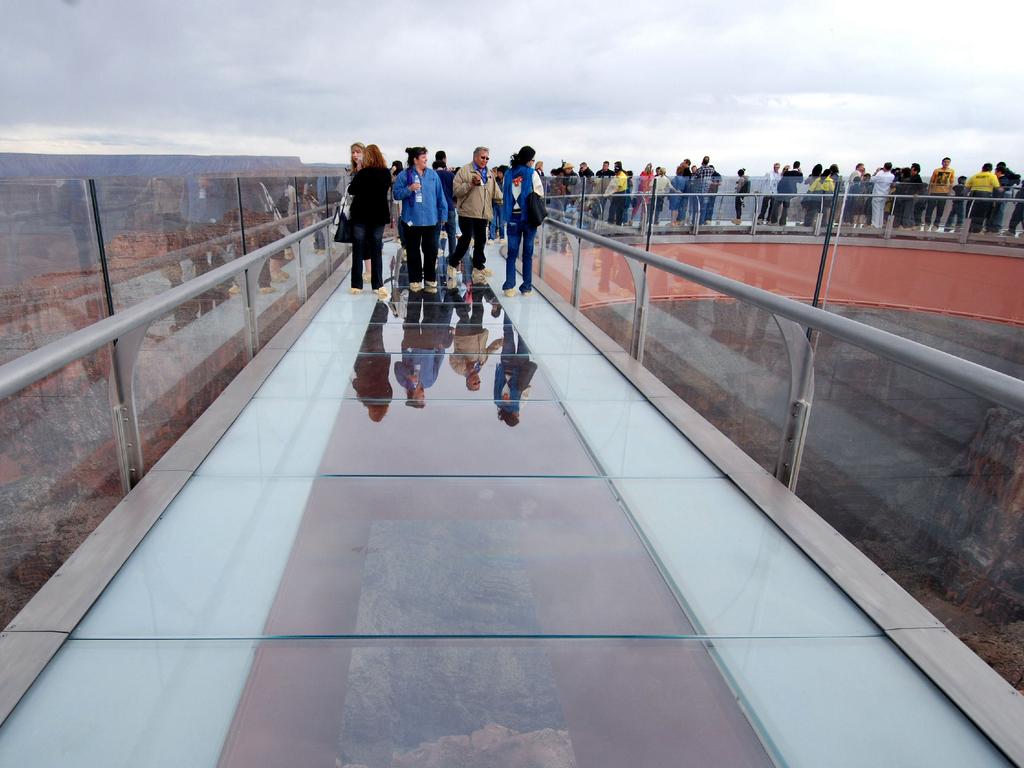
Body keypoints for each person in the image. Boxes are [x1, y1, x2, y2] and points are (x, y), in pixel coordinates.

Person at [392, 146, 447, 292]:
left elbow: (440, 196)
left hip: (431, 220)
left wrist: (443, 215)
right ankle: (415, 280)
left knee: (431, 250)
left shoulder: (433, 175)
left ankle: (430, 278)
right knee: (413, 251)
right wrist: (409, 189)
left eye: (426, 157)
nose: (426, 160)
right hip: (411, 220)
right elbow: (396, 194)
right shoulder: (404, 175)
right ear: (415, 160)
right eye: (423, 158)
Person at [449, 146, 503, 286]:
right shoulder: (464, 171)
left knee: (481, 240)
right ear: (475, 157)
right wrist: (470, 184)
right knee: (466, 239)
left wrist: (510, 202)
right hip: (467, 212)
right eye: (482, 157)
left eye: (487, 158)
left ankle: (478, 267)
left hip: (483, 213)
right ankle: (453, 263)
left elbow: (496, 193)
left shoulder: (489, 173)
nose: (485, 160)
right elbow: (456, 191)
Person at [347, 144, 392, 298]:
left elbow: (351, 190)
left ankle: (356, 285)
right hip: (378, 216)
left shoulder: (363, 173)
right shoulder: (386, 173)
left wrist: (360, 170)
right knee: (376, 250)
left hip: (360, 215)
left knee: (358, 249)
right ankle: (378, 285)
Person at [501, 145, 544, 297]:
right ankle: (526, 287)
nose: (533, 162)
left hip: (512, 217)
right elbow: (539, 193)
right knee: (527, 253)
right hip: (528, 219)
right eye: (532, 159)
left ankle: (509, 286)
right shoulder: (532, 174)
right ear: (528, 159)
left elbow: (504, 194)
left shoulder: (508, 173)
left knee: (511, 253)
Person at [351, 301, 393, 422]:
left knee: (375, 333)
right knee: (363, 332)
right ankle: (361, 305)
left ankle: (376, 305)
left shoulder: (387, 397)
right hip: (364, 361)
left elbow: (385, 381)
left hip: (378, 358)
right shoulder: (364, 397)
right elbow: (356, 382)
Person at [494, 314, 537, 427]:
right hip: (506, 364)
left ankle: (524, 311)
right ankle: (508, 311)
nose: (518, 415)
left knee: (522, 337)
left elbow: (527, 387)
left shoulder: (519, 404)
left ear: (513, 416)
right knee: (508, 333)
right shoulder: (497, 401)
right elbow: (496, 382)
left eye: (517, 416)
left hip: (519, 366)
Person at [432, 158, 458, 260]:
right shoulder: (451, 175)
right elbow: (455, 191)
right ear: (444, 166)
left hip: (436, 208)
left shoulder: (432, 175)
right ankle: (452, 255)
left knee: (435, 233)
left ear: (434, 167)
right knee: (451, 234)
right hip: (450, 207)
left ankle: (435, 253)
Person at [965, 163, 1001, 233]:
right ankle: (977, 230)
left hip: (973, 195)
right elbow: (997, 186)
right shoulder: (992, 176)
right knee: (981, 214)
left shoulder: (975, 176)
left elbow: (967, 187)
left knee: (971, 213)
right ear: (990, 169)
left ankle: (968, 229)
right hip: (985, 195)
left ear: (982, 168)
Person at [924, 157, 955, 230]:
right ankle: (927, 223)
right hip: (934, 192)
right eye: (945, 162)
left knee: (940, 210)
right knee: (929, 209)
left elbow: (951, 182)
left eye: (948, 162)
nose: (946, 163)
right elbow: (932, 181)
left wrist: (949, 192)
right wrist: (929, 191)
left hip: (944, 193)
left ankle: (936, 224)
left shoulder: (951, 171)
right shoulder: (937, 170)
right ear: (942, 162)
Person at [776, 162, 803, 226]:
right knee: (786, 206)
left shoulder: (787, 172)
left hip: (782, 191)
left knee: (777, 205)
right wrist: (801, 172)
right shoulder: (798, 174)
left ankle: (774, 220)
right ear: (798, 166)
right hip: (790, 192)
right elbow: (801, 181)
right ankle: (782, 222)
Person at [870, 162, 895, 228]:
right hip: (884, 195)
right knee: (881, 210)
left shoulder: (880, 175)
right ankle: (880, 224)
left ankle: (875, 224)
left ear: (884, 167)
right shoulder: (892, 176)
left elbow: (872, 179)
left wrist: (877, 171)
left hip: (877, 194)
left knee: (876, 210)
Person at [489, 165, 507, 242]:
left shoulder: (507, 182)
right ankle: (491, 237)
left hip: (502, 205)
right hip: (495, 203)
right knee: (492, 221)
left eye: (500, 173)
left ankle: (502, 237)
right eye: (498, 173)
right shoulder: (495, 181)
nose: (499, 174)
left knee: (501, 222)